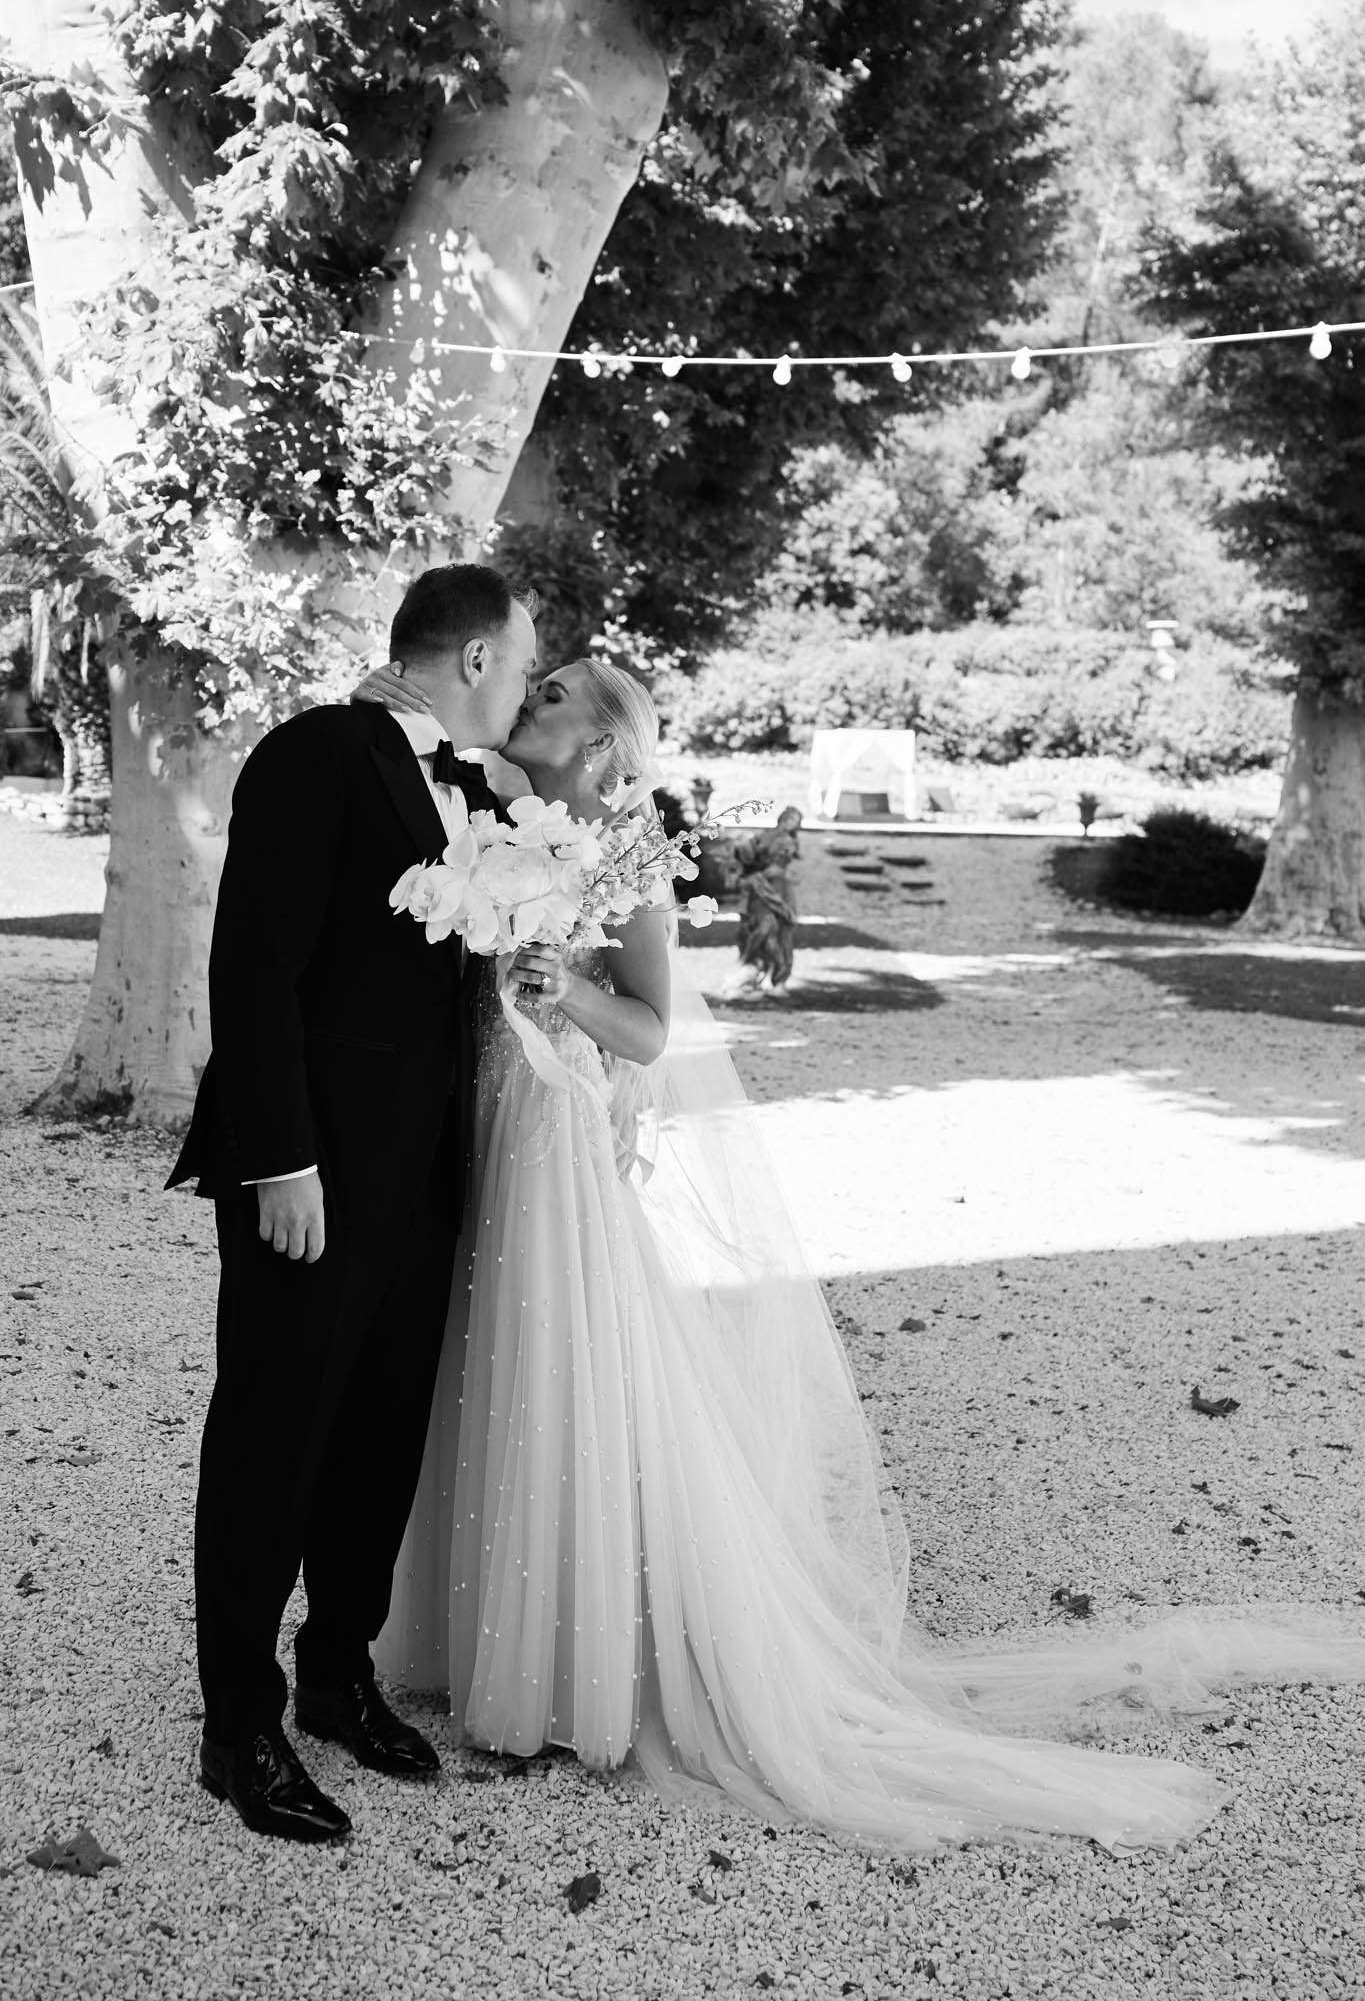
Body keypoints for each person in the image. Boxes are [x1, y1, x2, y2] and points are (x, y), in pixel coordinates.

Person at [350, 654, 1365, 1856]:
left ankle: (566, 1663)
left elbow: (652, 1026)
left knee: (556, 1368)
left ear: (608, 746)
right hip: (482, 1127)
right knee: (476, 1359)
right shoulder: (491, 822)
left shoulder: (626, 860)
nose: (532, 697)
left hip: (554, 1143)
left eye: (557, 692)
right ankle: (457, 1634)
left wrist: (560, 987)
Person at [167, 564, 537, 1843]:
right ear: (476, 654)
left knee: (379, 1433)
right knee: (277, 1429)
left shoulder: (484, 790)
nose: (529, 687)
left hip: (425, 1172)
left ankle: (337, 1672)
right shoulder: (316, 750)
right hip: (311, 1174)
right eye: (525, 662)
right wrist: (280, 1159)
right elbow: (254, 962)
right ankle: (239, 1725)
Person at [727, 805, 803, 994]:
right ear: (782, 819)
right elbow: (745, 855)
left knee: (780, 930)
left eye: (796, 821)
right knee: (762, 927)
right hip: (761, 887)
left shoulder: (788, 841)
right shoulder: (765, 836)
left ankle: (776, 976)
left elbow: (779, 866)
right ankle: (750, 966)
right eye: (790, 819)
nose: (792, 823)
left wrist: (755, 875)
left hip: (777, 887)